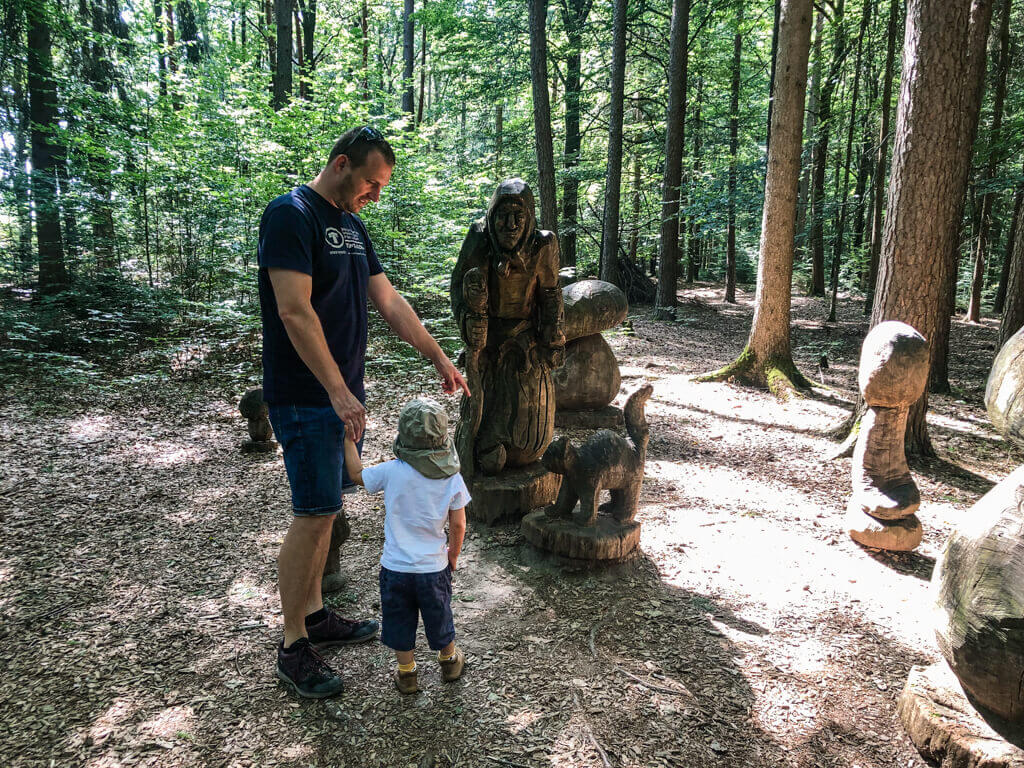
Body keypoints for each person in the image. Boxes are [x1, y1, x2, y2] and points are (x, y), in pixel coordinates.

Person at [257, 126, 470, 699]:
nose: (373, 196)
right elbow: (294, 311)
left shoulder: (352, 227)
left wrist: (438, 358)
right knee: (313, 512)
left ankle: (319, 614)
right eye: (371, 184)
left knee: (328, 511)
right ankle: (293, 644)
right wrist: (336, 390)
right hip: (305, 393)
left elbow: (389, 300)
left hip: (339, 393)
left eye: (380, 189)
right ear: (342, 163)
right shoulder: (291, 215)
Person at [343, 398, 468, 694]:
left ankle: (407, 673)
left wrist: (348, 440)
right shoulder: (451, 477)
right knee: (440, 615)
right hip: (433, 567)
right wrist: (452, 554)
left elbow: (356, 475)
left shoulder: (391, 471)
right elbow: (459, 524)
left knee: (399, 620)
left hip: (395, 566)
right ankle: (449, 662)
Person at [450, 179, 565, 480]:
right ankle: (482, 449)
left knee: (528, 411)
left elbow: (551, 293)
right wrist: (469, 319)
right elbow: (459, 287)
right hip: (487, 340)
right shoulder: (479, 238)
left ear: (530, 217)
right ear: (491, 216)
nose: (510, 224)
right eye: (502, 216)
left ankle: (522, 447)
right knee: (484, 406)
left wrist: (552, 335)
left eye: (519, 216)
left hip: (526, 340)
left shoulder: (544, 244)